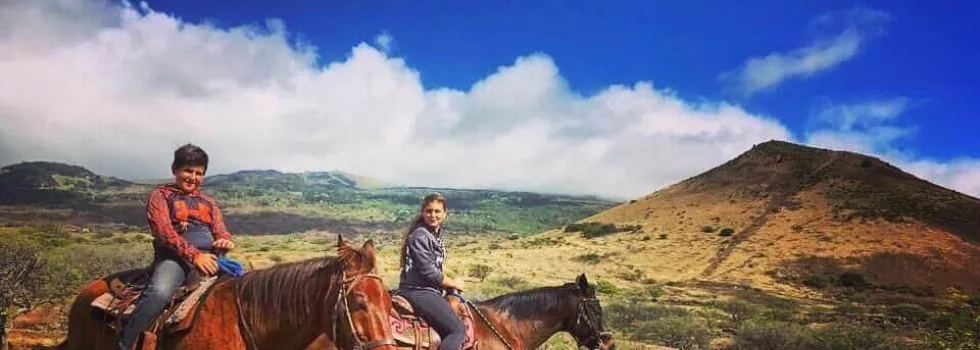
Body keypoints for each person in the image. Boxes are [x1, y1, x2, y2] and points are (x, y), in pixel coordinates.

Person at [118, 144, 236, 350]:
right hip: (174, 259)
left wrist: (224, 240)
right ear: (175, 170)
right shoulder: (161, 195)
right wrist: (195, 256)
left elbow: (220, 230)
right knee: (160, 293)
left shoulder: (208, 201)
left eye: (199, 173)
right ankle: (126, 345)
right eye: (188, 171)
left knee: (245, 287)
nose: (193, 177)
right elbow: (163, 231)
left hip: (211, 258)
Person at [397, 193, 466, 350]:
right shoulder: (421, 235)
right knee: (457, 330)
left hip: (426, 290)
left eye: (437, 211)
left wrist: (449, 282)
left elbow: (435, 266)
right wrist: (454, 283)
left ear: (445, 213)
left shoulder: (432, 234)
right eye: (428, 211)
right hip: (419, 291)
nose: (433, 215)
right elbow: (428, 272)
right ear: (423, 213)